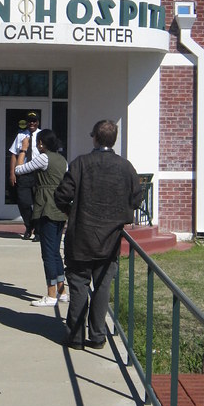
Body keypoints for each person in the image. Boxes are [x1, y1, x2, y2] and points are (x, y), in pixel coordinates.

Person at [53, 119, 143, 349]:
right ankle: (97, 335)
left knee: (79, 285)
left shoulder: (81, 163)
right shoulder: (126, 167)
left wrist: (74, 212)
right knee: (102, 286)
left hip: (81, 236)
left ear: (94, 138)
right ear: (113, 140)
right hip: (110, 237)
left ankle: (75, 337)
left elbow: (62, 195)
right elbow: (136, 198)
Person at [14, 128, 68, 307]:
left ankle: (51, 294)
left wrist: (22, 150)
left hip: (47, 207)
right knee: (55, 252)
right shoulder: (62, 160)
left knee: (47, 253)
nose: (37, 145)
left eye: (38, 142)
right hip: (61, 207)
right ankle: (62, 291)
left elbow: (19, 169)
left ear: (42, 143)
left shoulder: (44, 158)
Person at [8, 111, 40, 239]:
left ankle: (38, 231)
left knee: (38, 203)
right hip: (23, 173)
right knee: (23, 202)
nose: (31, 123)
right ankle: (29, 226)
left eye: (34, 121)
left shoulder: (41, 135)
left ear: (38, 122)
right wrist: (12, 173)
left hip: (38, 173)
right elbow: (14, 155)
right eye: (29, 121)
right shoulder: (21, 135)